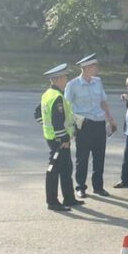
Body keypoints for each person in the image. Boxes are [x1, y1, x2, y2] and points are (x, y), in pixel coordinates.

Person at [65, 53, 118, 198]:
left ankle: (98, 186)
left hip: (99, 123)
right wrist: (70, 128)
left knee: (99, 156)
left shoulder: (97, 82)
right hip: (83, 124)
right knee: (82, 157)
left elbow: (103, 101)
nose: (97, 68)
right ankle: (80, 186)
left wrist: (110, 119)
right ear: (86, 68)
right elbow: (67, 107)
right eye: (95, 66)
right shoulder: (73, 85)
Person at [41, 63, 81, 211]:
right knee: (54, 170)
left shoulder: (49, 94)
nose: (67, 80)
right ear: (57, 79)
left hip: (57, 138)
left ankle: (69, 198)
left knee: (66, 168)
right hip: (58, 140)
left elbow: (40, 115)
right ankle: (52, 201)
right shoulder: (56, 97)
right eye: (65, 77)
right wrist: (62, 139)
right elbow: (57, 121)